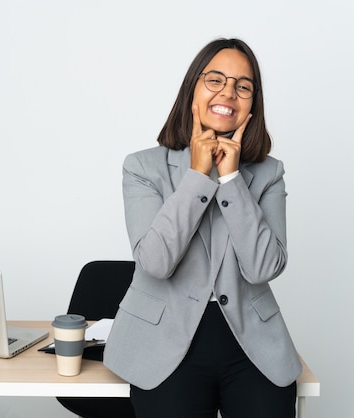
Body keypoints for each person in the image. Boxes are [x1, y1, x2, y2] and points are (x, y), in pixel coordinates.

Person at [103, 38, 302, 418]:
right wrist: (198, 175)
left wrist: (231, 181)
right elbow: (155, 262)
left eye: (242, 86)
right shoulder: (143, 168)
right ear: (192, 88)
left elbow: (263, 267)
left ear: (252, 104)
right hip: (162, 343)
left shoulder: (269, 173)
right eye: (215, 80)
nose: (228, 92)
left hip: (252, 344)